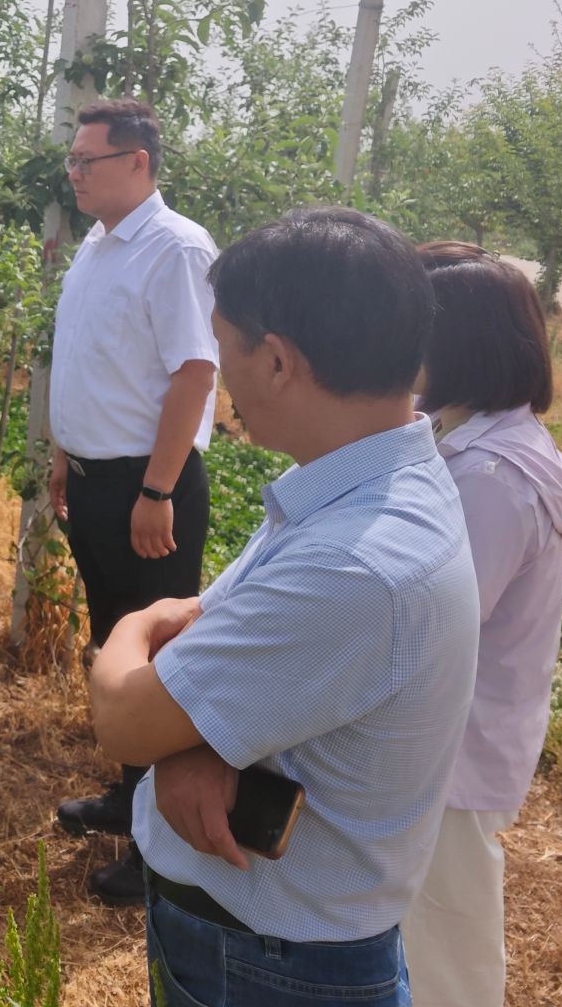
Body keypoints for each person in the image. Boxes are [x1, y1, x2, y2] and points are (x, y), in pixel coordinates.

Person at [90, 207, 479, 1006]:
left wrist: (134, 627)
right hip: (268, 950)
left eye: (222, 346)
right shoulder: (365, 486)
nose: (219, 375)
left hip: (267, 968)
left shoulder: (351, 562)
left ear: (275, 361)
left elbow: (126, 718)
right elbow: (225, 644)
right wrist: (194, 740)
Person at [401, 242, 562, 1007]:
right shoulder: (464, 434)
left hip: (452, 752)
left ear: (457, 345)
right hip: (443, 743)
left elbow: (435, 623)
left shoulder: (491, 477)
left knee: (442, 948)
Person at [44, 100, 220, 906]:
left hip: (146, 487)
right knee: (114, 641)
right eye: (73, 161)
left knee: (158, 667)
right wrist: (64, 454)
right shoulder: (98, 243)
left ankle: (162, 849)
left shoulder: (175, 248)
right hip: (95, 478)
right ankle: (131, 797)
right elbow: (89, 361)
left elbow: (195, 373)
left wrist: (157, 489)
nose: (75, 174)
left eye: (89, 161)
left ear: (138, 162)